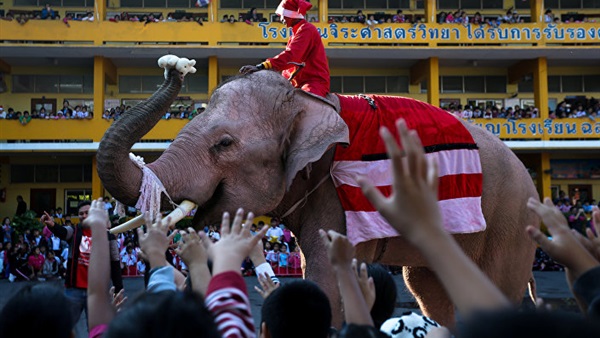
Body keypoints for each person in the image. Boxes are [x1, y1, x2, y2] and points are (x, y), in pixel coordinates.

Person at [41, 200, 123, 334]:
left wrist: (119, 289)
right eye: (81, 214)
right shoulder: (74, 232)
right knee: (64, 327)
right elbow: (62, 231)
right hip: (74, 290)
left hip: (98, 293)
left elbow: (115, 263)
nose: (84, 216)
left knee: (97, 330)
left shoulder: (108, 236)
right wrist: (52, 225)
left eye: (87, 213)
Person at [239, 0, 330, 98]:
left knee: (305, 104)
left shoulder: (306, 29)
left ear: (291, 15)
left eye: (283, 15)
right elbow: (289, 67)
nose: (281, 19)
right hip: (297, 84)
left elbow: (291, 57)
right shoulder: (296, 32)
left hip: (313, 83)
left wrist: (262, 66)